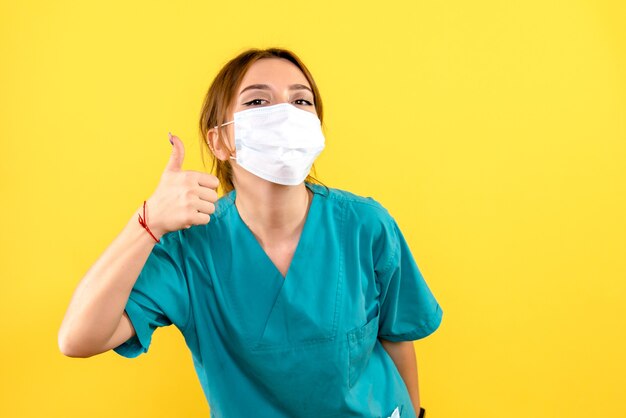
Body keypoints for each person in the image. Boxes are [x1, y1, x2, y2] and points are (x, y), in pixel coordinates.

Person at [58, 47, 443, 418]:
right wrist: (147, 222)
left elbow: (396, 338)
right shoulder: (191, 248)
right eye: (258, 102)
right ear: (219, 141)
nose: (285, 113)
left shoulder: (365, 225)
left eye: (301, 101)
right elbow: (78, 339)